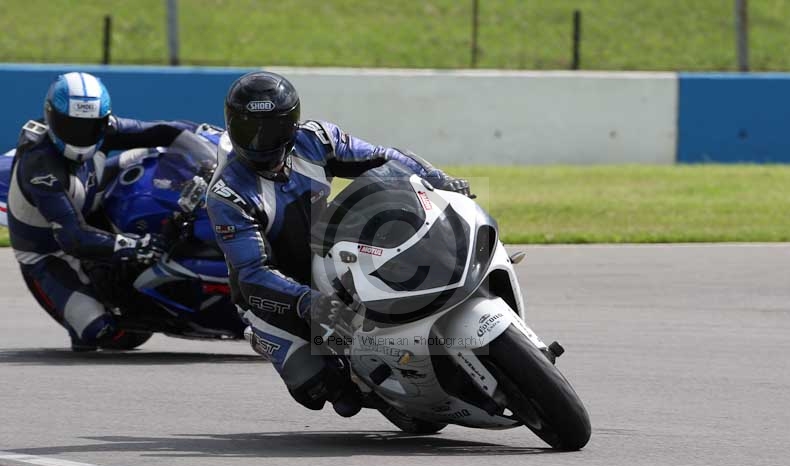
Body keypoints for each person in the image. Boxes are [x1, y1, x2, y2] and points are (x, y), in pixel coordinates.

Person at [206, 71, 471, 417]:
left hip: (331, 253)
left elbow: (384, 159)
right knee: (324, 391)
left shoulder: (317, 140)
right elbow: (252, 272)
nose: (258, 141)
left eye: (270, 130)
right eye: (247, 129)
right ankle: (374, 388)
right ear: (230, 124)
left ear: (291, 124)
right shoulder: (227, 193)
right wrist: (305, 301)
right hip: (275, 295)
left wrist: (438, 180)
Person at [7, 71, 206, 351]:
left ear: (103, 120)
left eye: (91, 126)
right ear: (51, 117)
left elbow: (164, 130)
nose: (81, 135)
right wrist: (136, 246)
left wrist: (208, 143)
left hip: (90, 202)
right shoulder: (40, 166)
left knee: (151, 155)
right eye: (71, 125)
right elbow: (73, 238)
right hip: (50, 251)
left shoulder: (103, 130)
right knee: (101, 334)